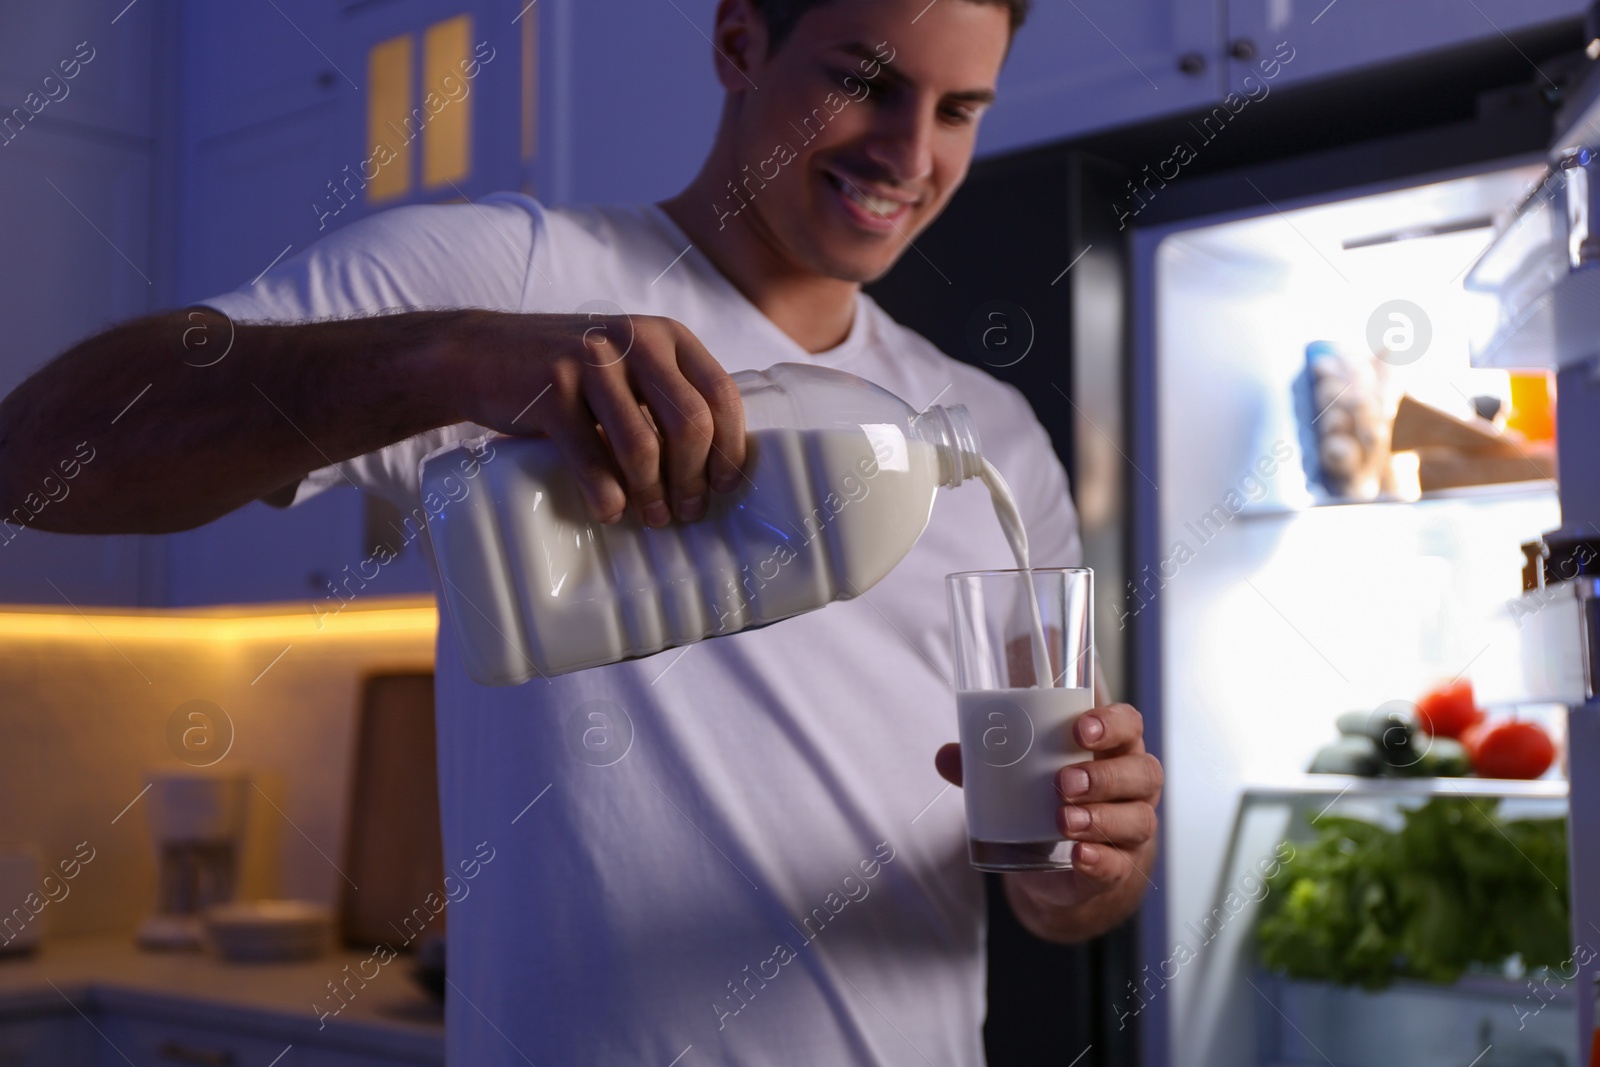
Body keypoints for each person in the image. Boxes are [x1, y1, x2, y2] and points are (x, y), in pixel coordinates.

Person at [0, 0, 1163, 1060]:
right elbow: (43, 453)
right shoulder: (515, 275)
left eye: (957, 109)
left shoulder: (996, 436)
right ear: (737, 40)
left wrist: (1090, 862)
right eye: (865, 81)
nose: (911, 157)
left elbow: (1059, 883)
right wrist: (445, 358)